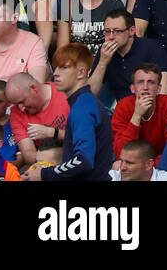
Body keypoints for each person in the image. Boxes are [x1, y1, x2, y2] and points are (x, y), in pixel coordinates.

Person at [27, 44, 113, 182]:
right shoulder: (85, 102)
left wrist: (44, 173)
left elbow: (83, 161)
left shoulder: (83, 107)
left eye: (64, 67)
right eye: (56, 67)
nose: (55, 73)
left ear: (81, 72)